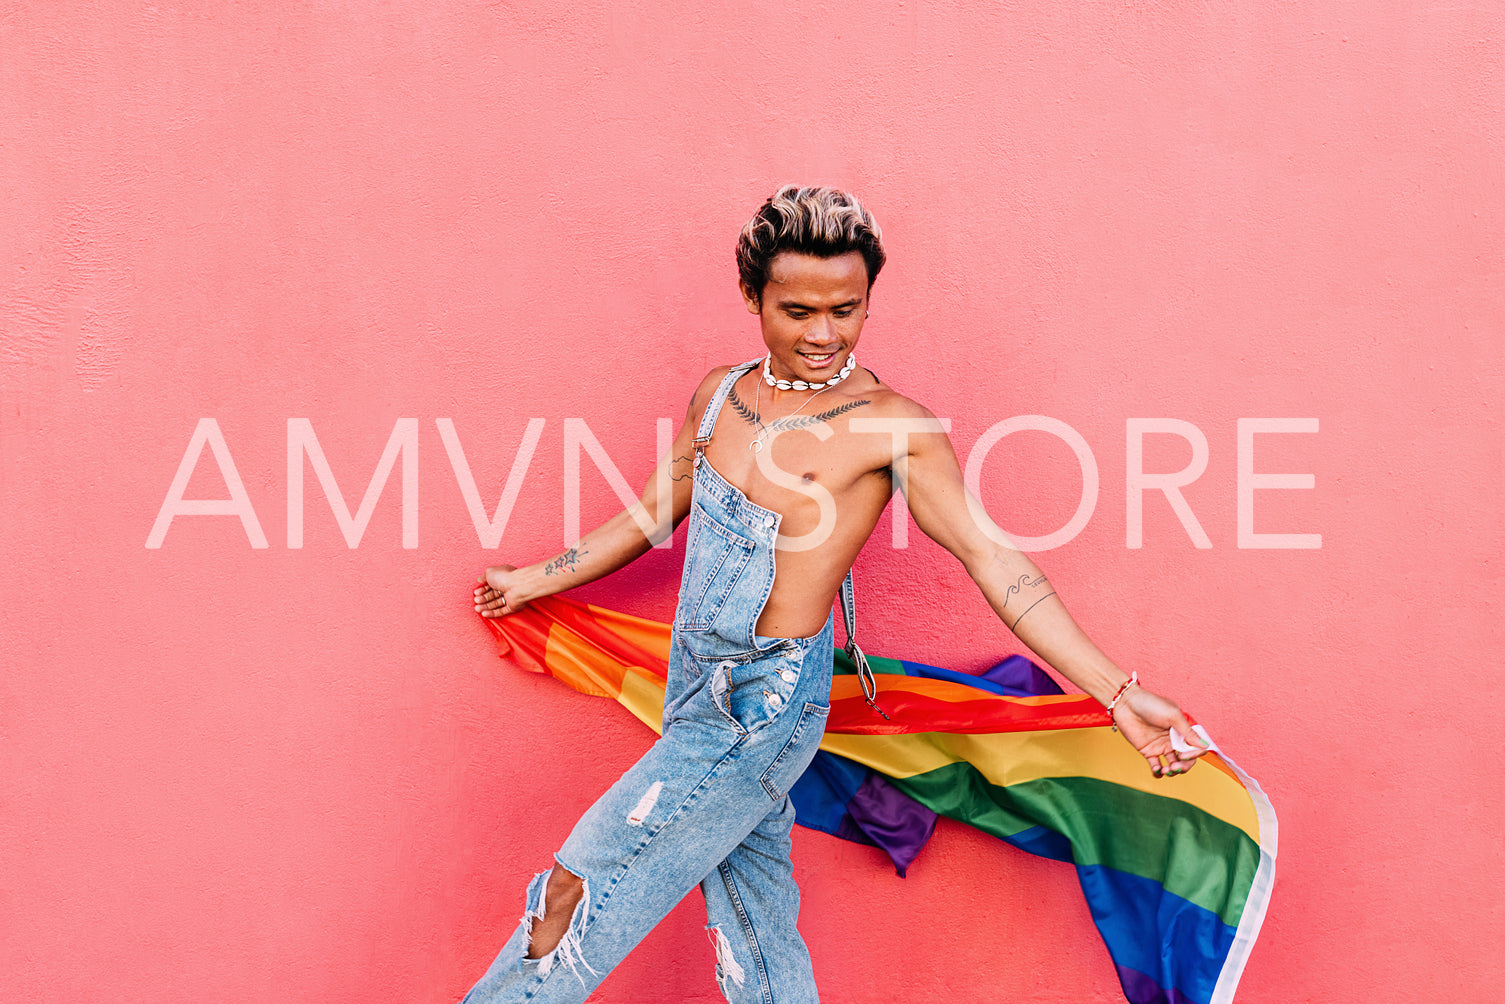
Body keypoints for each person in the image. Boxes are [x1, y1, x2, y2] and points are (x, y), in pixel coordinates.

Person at [461, 185, 1206, 1004]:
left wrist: (1118, 693)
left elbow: (994, 560)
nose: (823, 334)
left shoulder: (893, 428)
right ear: (752, 297)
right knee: (753, 923)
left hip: (765, 706)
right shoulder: (717, 397)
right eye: (798, 310)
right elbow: (645, 518)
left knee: (579, 884)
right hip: (692, 690)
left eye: (845, 310)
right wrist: (532, 580)